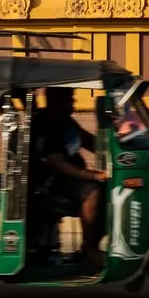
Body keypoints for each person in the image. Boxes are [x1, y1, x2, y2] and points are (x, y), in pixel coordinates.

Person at [30, 88, 105, 265]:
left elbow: (91, 142)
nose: (73, 102)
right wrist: (94, 176)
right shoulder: (46, 123)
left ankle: (95, 243)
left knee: (110, 190)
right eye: (69, 98)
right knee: (92, 192)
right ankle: (89, 249)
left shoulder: (66, 121)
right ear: (55, 99)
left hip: (69, 180)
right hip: (51, 182)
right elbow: (59, 164)